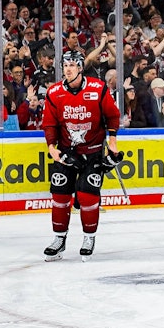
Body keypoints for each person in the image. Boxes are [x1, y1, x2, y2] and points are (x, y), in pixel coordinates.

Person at [40, 49, 122, 262]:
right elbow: (49, 123)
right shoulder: (54, 92)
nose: (67, 69)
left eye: (72, 65)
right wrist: (52, 147)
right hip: (67, 153)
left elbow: (112, 116)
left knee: (87, 196)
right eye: (65, 65)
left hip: (93, 152)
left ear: (80, 67)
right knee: (59, 196)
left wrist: (112, 141)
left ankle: (89, 237)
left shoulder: (98, 88)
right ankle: (59, 239)